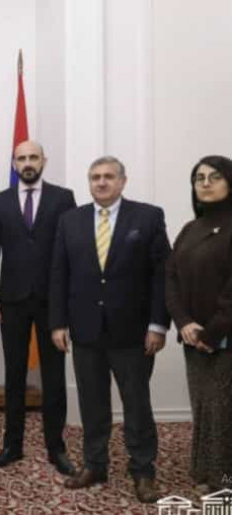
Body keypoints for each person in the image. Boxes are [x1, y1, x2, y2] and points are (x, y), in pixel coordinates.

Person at [50, 156, 170, 503]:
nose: (101, 182)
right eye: (95, 177)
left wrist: (158, 324)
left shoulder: (147, 217)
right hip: (85, 331)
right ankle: (95, 464)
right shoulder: (70, 220)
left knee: (136, 404)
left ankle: (143, 471)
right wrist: (58, 323)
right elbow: (59, 274)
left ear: (122, 181)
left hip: (133, 332)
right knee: (92, 404)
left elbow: (162, 275)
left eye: (108, 176)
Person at [0, 140, 77, 475]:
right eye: (21, 158)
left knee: (54, 376)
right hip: (12, 300)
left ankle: (56, 447)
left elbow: (72, 250)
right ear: (14, 164)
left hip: (52, 301)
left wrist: (69, 300)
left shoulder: (63, 198)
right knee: (14, 374)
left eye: (33, 157)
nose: (28, 162)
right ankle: (12, 445)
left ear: (43, 160)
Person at [165, 155, 232, 492]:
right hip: (194, 338)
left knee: (224, 415)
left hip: (223, 338)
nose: (205, 183)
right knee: (204, 410)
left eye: (214, 177)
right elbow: (171, 278)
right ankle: (206, 474)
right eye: (199, 178)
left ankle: (225, 483)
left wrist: (211, 332)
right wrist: (184, 323)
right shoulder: (190, 229)